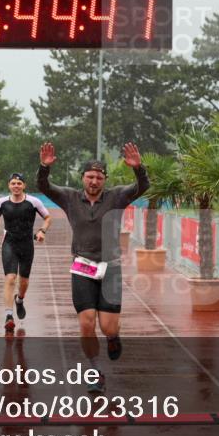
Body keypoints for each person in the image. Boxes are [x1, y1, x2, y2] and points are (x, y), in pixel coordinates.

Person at [37, 141, 148, 393]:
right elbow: (44, 186)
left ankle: (112, 337)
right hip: (82, 265)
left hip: (111, 267)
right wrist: (44, 167)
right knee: (86, 323)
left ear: (104, 179)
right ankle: (95, 370)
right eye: (90, 176)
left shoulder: (117, 196)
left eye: (99, 177)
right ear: (82, 178)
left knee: (108, 326)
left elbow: (142, 187)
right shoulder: (69, 198)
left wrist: (138, 169)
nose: (94, 181)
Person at [0, 172, 52, 333]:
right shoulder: (2, 202)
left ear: (24, 186)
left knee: (24, 282)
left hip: (27, 244)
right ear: (9, 185)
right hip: (9, 243)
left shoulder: (33, 202)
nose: (16, 186)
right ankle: (9, 316)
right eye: (13, 183)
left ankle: (20, 300)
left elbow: (48, 217)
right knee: (10, 278)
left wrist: (42, 231)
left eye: (19, 183)